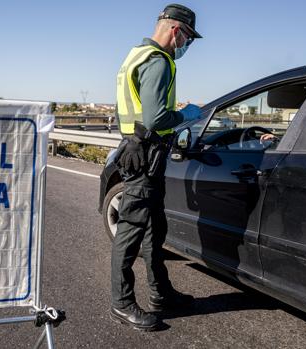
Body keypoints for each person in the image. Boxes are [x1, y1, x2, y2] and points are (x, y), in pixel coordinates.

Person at [110, 4, 203, 331]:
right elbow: (156, 119)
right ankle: (121, 303)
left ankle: (161, 293)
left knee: (152, 228)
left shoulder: (135, 54)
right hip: (145, 153)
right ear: (176, 29)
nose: (186, 45)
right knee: (132, 231)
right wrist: (187, 114)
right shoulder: (158, 61)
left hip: (136, 148)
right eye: (188, 36)